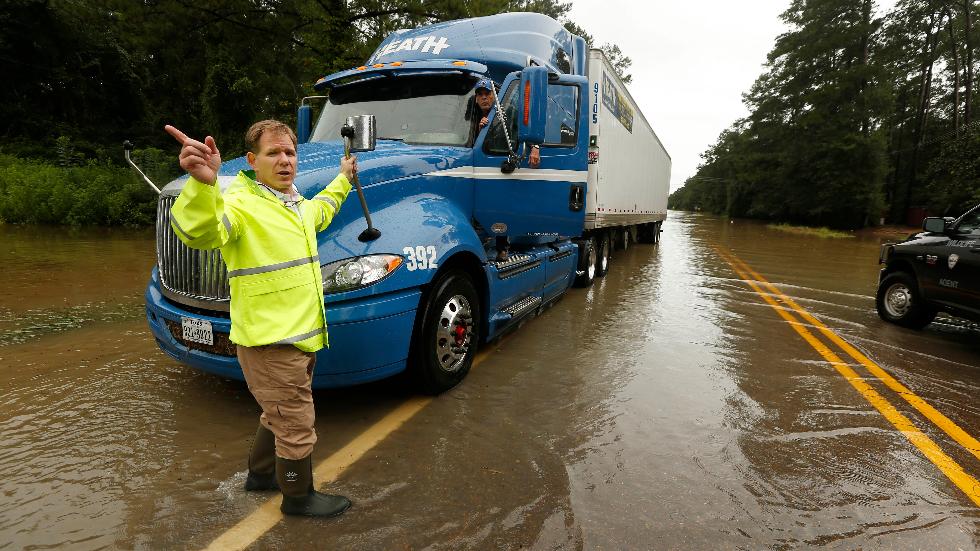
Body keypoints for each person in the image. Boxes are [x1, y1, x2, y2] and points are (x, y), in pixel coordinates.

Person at [165, 120, 356, 518]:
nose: (284, 160)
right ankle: (299, 497)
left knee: (279, 413)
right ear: (252, 161)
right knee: (296, 424)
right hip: (270, 344)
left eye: (290, 153)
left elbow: (321, 211)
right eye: (273, 153)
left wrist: (342, 179)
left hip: (298, 339)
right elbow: (200, 232)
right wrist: (203, 185)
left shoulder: (294, 204)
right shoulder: (240, 205)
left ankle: (261, 476)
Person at [467, 78, 540, 261]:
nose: (484, 98)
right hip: (478, 168)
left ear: (494, 96)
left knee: (500, 206)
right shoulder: (471, 117)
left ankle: (502, 249)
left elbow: (524, 128)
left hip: (502, 166)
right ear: (476, 99)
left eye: (487, 94)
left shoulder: (507, 112)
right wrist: (479, 129)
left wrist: (535, 147)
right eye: (480, 95)